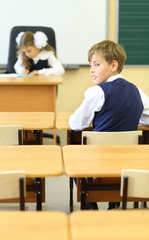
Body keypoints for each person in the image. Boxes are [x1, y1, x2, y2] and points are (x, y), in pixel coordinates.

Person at [69, 40, 149, 210]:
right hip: (128, 162)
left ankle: (91, 208)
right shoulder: (137, 91)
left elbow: (77, 123)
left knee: (73, 163)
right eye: (90, 65)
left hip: (98, 162)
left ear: (113, 65)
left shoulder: (97, 92)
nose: (91, 70)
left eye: (96, 64)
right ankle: (115, 204)